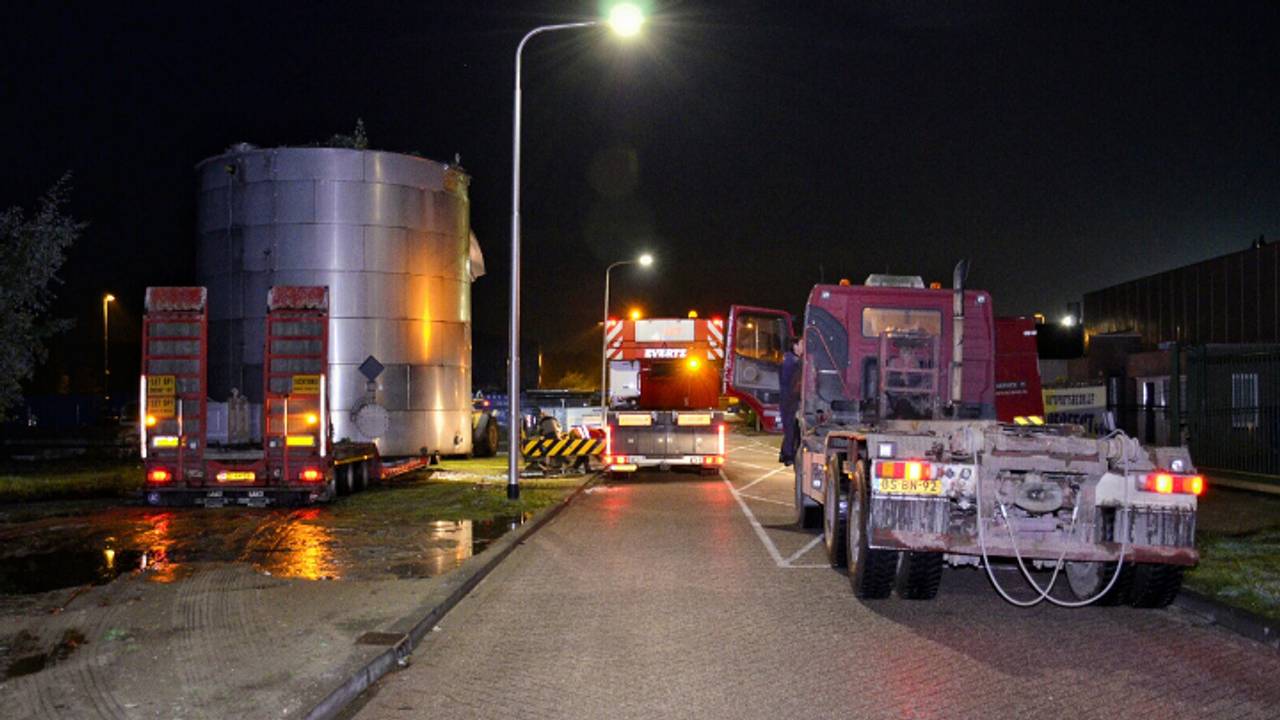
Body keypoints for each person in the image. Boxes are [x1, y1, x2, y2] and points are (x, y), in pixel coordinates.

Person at [779, 337, 803, 465]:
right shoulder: (792, 361)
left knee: (790, 428)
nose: (803, 347)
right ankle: (788, 454)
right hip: (790, 400)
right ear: (795, 346)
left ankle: (786, 453)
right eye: (801, 344)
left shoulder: (789, 359)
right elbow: (792, 383)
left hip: (788, 399)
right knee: (790, 427)